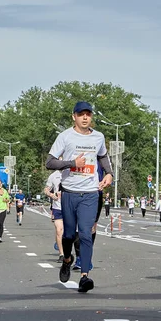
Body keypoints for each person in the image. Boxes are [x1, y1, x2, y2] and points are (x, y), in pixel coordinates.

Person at [46, 101, 113, 293]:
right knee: (68, 235)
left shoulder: (98, 137)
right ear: (73, 116)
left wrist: (109, 174)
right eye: (81, 114)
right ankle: (67, 259)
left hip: (90, 193)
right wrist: (71, 163)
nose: (85, 117)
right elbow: (49, 162)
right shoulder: (65, 136)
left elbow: (103, 156)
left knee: (85, 233)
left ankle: (85, 276)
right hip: (69, 192)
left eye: (88, 114)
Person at [45, 169, 64, 262]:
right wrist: (51, 195)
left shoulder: (72, 173)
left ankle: (66, 249)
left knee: (69, 233)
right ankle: (62, 254)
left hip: (71, 207)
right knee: (59, 230)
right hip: (58, 207)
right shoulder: (53, 175)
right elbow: (46, 189)